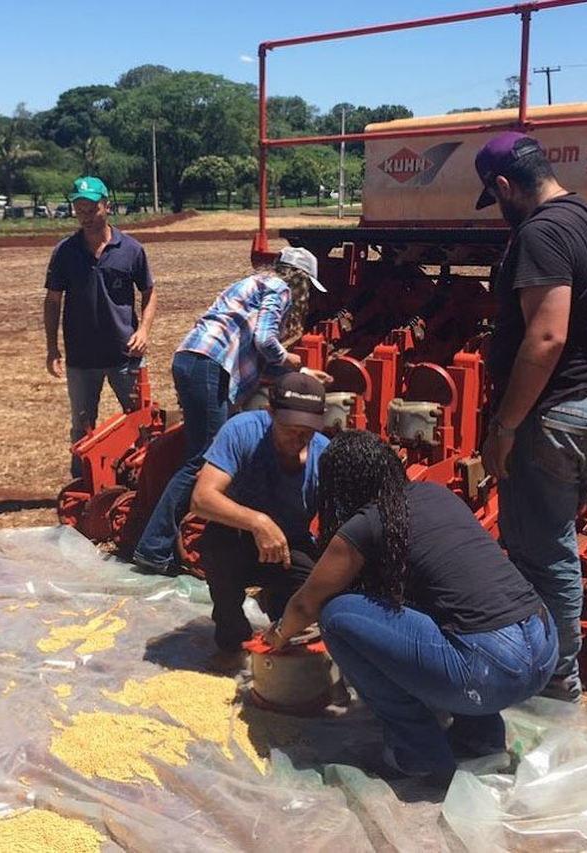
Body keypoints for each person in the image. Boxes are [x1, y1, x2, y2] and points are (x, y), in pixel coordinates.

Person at [265, 430, 556, 781]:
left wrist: (278, 636)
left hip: (492, 670)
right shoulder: (435, 494)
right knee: (449, 611)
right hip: (542, 644)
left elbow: (306, 605)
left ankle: (417, 754)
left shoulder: (367, 523)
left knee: (337, 616)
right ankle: (479, 738)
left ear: (340, 485)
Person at [473, 131, 587, 701]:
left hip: (551, 413)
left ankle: (555, 689)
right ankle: (547, 673)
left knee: (545, 553)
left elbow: (546, 336)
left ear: (506, 185)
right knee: (553, 543)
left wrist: (505, 425)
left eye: (497, 200)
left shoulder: (542, 232)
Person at [130, 246, 330, 574]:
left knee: (199, 455)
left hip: (195, 360)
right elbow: (266, 341)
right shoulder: (278, 289)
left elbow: (258, 354)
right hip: (208, 364)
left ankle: (157, 543)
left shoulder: (254, 283)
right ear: (301, 280)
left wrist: (302, 376)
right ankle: (154, 548)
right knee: (202, 460)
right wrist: (292, 360)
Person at [188, 372, 330, 671]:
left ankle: (282, 627)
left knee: (311, 604)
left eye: (307, 431)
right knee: (217, 549)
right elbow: (202, 499)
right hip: (236, 538)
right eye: (289, 429)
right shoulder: (241, 431)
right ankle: (231, 633)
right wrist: (257, 521)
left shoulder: (324, 454)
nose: (299, 438)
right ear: (270, 414)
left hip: (291, 546)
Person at [44, 175, 157, 478]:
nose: (86, 217)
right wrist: (52, 347)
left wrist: (143, 331)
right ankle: (83, 485)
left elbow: (149, 292)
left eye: (92, 209)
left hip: (125, 354)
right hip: (81, 358)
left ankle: (143, 479)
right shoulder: (65, 252)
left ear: (107, 206)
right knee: (82, 424)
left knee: (140, 420)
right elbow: (53, 301)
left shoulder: (131, 249)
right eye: (80, 210)